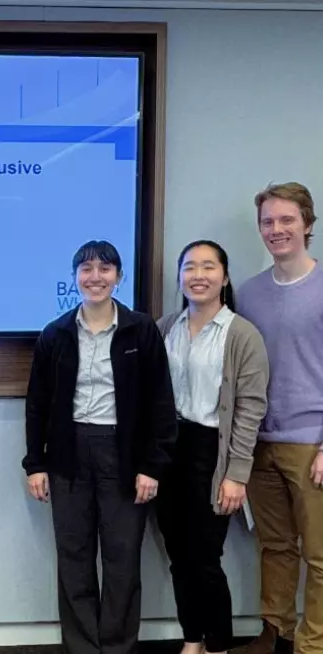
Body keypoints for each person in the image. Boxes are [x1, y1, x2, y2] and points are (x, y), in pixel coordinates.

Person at [22, 239, 177, 654]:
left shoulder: (139, 330)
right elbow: (37, 405)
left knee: (122, 557)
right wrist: (35, 464)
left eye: (105, 269)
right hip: (68, 454)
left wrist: (153, 466)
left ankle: (118, 646)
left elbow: (160, 401)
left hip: (123, 455)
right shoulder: (55, 334)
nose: (96, 277)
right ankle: (82, 647)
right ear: (75, 277)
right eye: (86, 269)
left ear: (119, 277)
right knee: (73, 556)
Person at [155, 240, 269, 654]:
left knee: (205, 560)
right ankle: (192, 639)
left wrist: (236, 474)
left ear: (224, 276)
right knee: (179, 557)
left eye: (208, 267)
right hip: (170, 452)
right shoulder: (165, 327)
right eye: (189, 267)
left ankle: (218, 644)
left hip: (212, 453)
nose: (198, 275)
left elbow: (251, 409)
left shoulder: (242, 334)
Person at [231, 182, 323, 654]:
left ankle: (313, 644)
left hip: (312, 444)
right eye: (268, 221)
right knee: (275, 547)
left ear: (308, 224)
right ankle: (276, 632)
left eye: (287, 220)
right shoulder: (249, 294)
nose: (277, 229)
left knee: (321, 556)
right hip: (262, 442)